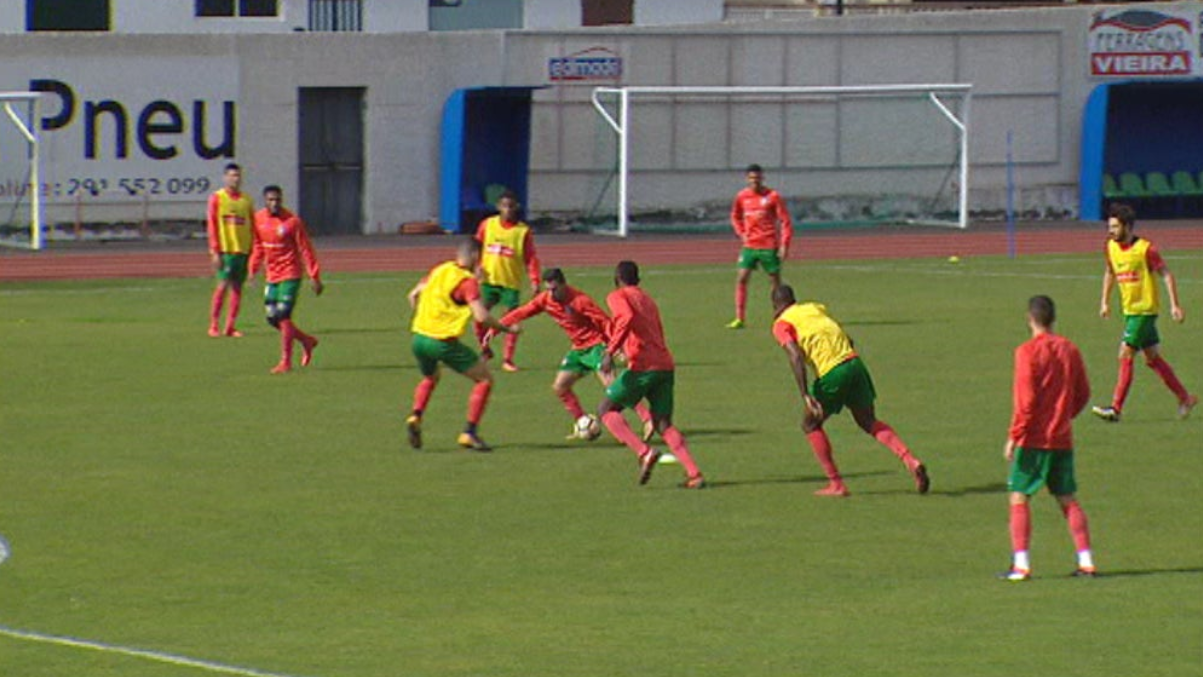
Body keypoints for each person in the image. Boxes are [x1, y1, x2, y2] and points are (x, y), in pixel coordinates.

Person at [771, 285, 928, 497]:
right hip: (854, 363)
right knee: (868, 420)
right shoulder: (814, 308)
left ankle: (836, 484)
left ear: (775, 307)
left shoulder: (781, 324)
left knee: (810, 424)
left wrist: (805, 395)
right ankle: (910, 460)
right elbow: (846, 337)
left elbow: (795, 356)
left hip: (832, 372)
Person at [493, 268, 655, 441]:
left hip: (595, 347)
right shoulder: (545, 300)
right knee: (560, 386)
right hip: (578, 349)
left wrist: (617, 347)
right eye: (548, 289)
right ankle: (583, 422)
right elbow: (523, 311)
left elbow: (604, 322)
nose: (551, 293)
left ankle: (647, 419)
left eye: (554, 289)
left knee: (614, 387)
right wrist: (498, 325)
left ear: (563, 284)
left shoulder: (580, 300)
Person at [1001, 295, 1095, 581]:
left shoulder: (1026, 352)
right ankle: (1087, 561)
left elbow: (1026, 401)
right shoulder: (1070, 349)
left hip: (1034, 440)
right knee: (1067, 498)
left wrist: (1014, 436)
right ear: (1053, 319)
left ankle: (1021, 565)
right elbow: (1083, 394)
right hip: (1062, 438)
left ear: (1029, 319)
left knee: (1019, 497)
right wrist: (1064, 417)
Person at [597, 261, 704, 488]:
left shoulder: (618, 296)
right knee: (663, 423)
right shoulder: (648, 299)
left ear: (617, 279)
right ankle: (694, 474)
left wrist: (610, 351)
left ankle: (644, 452)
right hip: (665, 365)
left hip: (643, 367)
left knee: (606, 410)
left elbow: (625, 318)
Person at [406, 238, 519, 452]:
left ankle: (416, 416)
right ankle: (469, 432)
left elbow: (414, 293)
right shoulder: (467, 282)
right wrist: (506, 328)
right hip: (442, 341)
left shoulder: (441, 269)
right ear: (476, 256)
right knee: (485, 380)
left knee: (431, 377)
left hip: (419, 337)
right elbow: (481, 316)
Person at [1091, 203, 1197, 422]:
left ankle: (1116, 409)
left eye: (1115, 227)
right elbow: (1110, 272)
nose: (1110, 231)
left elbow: (1166, 274)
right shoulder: (1110, 247)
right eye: (1109, 227)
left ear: (1128, 227)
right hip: (1130, 312)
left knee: (1126, 353)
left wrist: (1174, 305)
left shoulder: (1145, 249)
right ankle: (1185, 398)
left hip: (1145, 311)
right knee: (1152, 358)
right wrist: (1104, 301)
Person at [248, 185, 323, 375]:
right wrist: (253, 268)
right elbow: (258, 246)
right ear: (265, 201)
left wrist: (314, 275)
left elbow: (306, 248)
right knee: (272, 318)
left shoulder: (292, 222)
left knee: (283, 315)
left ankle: (285, 361)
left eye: (277, 200)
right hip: (272, 275)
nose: (274, 203)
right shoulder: (258, 219)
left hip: (290, 274)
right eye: (271, 200)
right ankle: (307, 340)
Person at [474, 190, 541, 372]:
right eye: (504, 206)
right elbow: (476, 247)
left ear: (516, 207)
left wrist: (535, 279)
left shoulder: (522, 231)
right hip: (488, 281)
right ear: (498, 207)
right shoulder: (487, 225)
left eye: (511, 206)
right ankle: (484, 349)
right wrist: (476, 266)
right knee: (479, 318)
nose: (508, 210)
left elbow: (530, 257)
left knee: (511, 321)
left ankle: (508, 359)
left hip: (510, 284)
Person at [727, 163, 793, 329]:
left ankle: (779, 315)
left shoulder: (772, 196)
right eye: (751, 178)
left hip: (769, 245)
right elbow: (735, 216)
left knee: (774, 282)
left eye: (757, 178)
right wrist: (741, 233)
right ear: (747, 179)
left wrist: (784, 245)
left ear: (762, 178)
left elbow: (785, 221)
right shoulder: (742, 197)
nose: (754, 181)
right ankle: (739, 318)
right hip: (749, 245)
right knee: (741, 278)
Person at [206, 163, 256, 338]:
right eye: (232, 175)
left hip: (242, 250)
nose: (235, 179)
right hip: (226, 250)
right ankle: (214, 324)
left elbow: (252, 225)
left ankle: (230, 326)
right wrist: (214, 250)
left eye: (238, 175)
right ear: (225, 177)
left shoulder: (246, 200)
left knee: (237, 288)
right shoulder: (217, 198)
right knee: (222, 286)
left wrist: (253, 250)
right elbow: (212, 224)